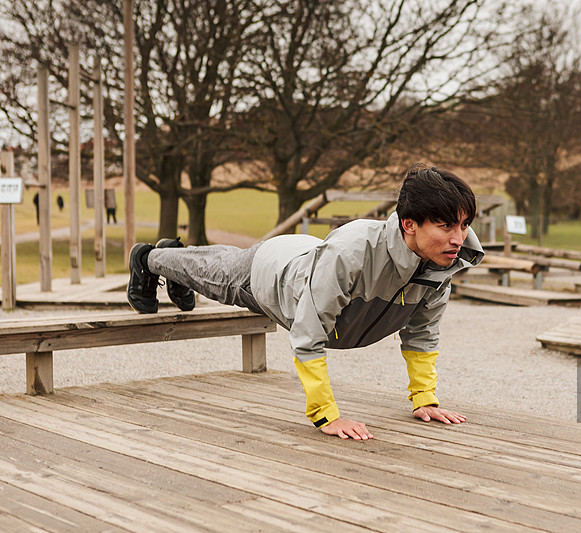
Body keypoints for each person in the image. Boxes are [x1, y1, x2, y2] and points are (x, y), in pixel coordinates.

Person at [126, 163, 484, 439]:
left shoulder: (442, 266)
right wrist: (326, 414)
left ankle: (172, 259)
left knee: (215, 263)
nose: (459, 238)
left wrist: (425, 399)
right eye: (446, 227)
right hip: (274, 273)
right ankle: (149, 259)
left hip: (310, 256)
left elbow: (422, 335)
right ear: (409, 224)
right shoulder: (352, 253)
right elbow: (308, 333)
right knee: (215, 275)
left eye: (464, 225)